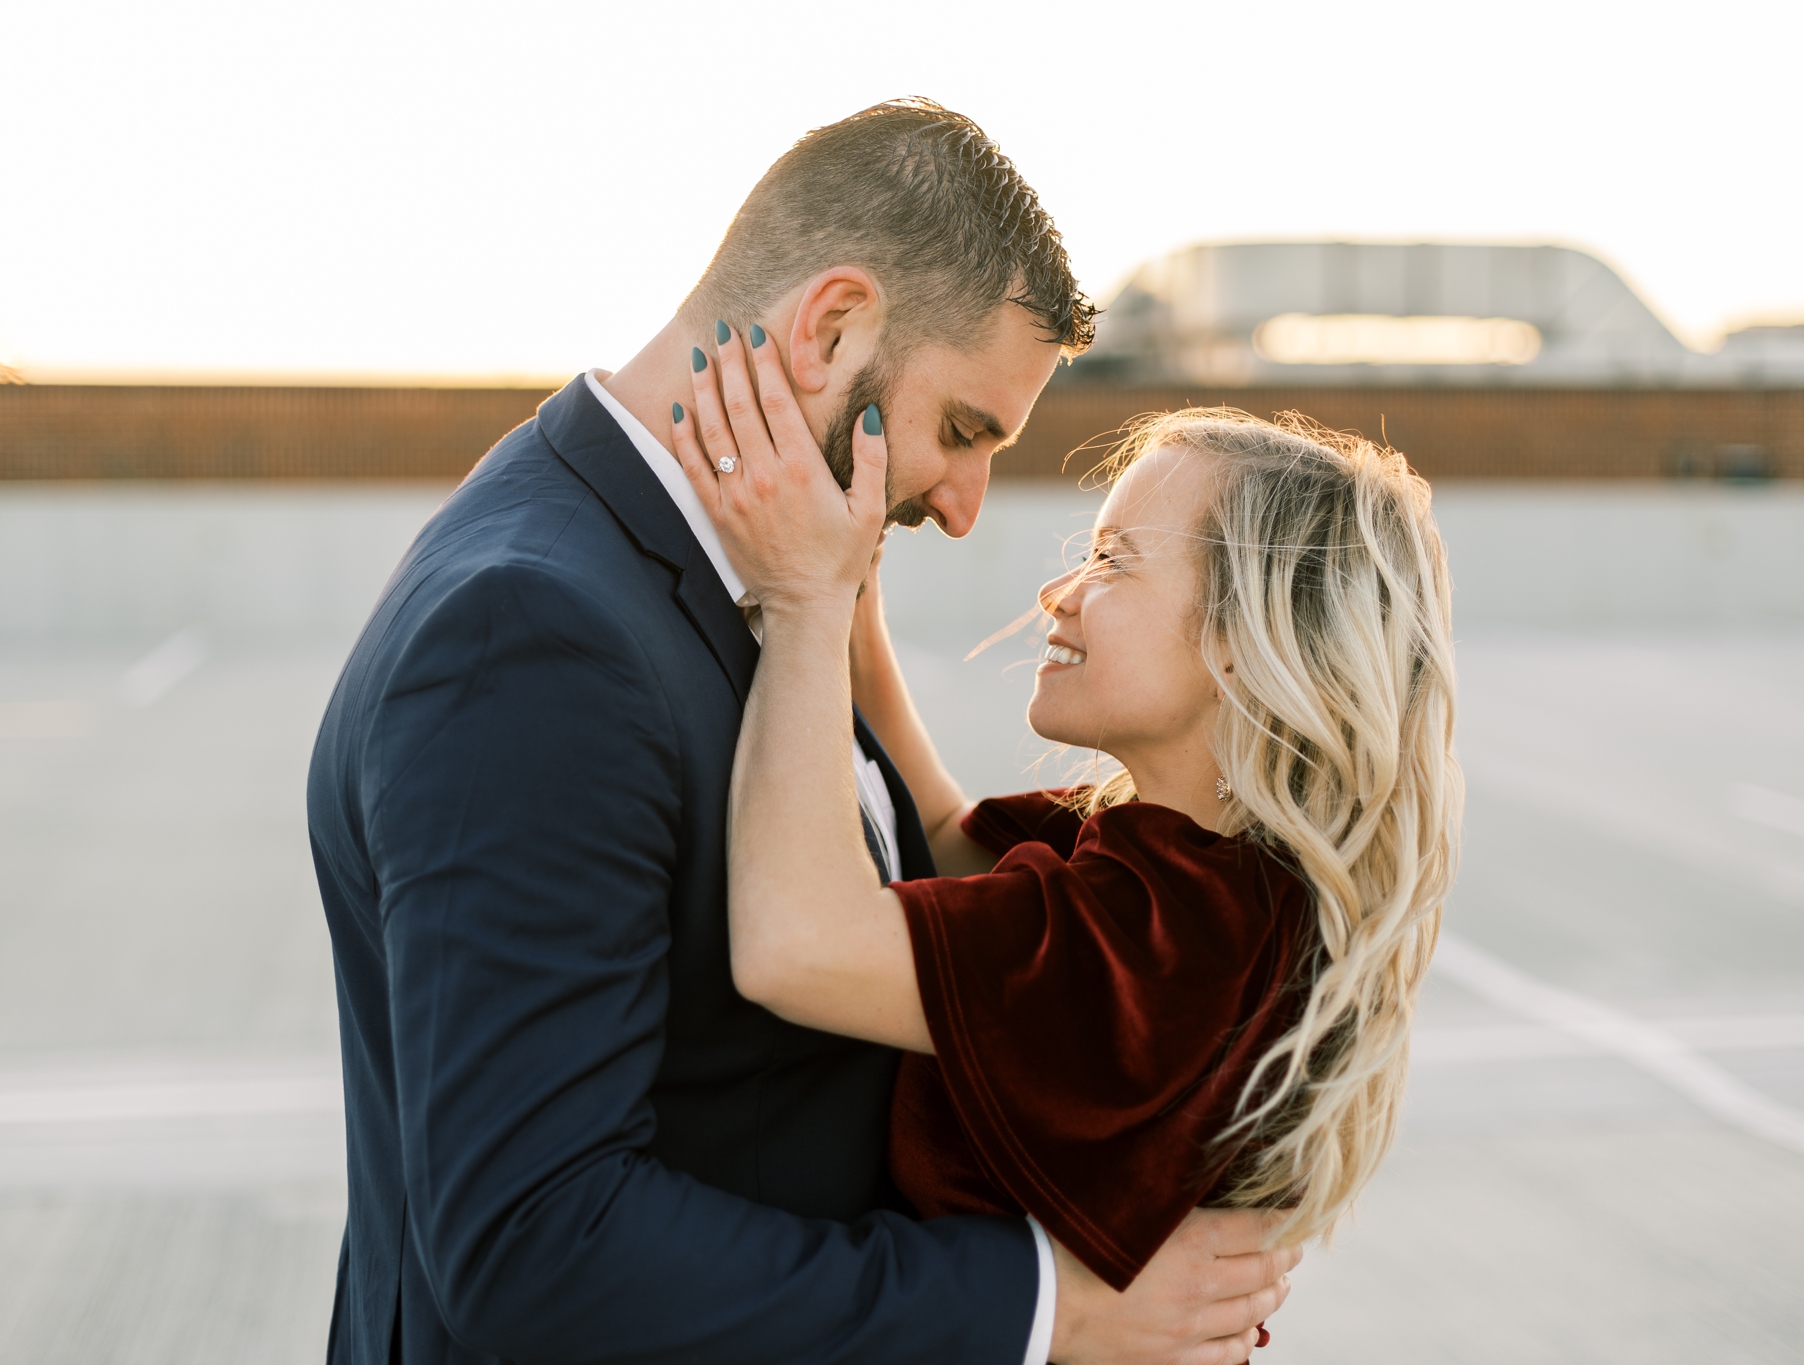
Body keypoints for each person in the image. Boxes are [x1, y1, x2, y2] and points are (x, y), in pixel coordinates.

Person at [307, 99, 1296, 1365]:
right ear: (831, 329)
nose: (964, 503)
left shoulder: (756, 588)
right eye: (961, 431)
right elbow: (535, 1247)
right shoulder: (534, 634)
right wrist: (1047, 1306)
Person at [669, 336, 1462, 1310]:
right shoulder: (1193, 873)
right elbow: (945, 838)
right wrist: (850, 569)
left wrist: (800, 602)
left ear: (1240, 641)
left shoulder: (1168, 944)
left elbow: (795, 946)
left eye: (1110, 562)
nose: (1058, 594)